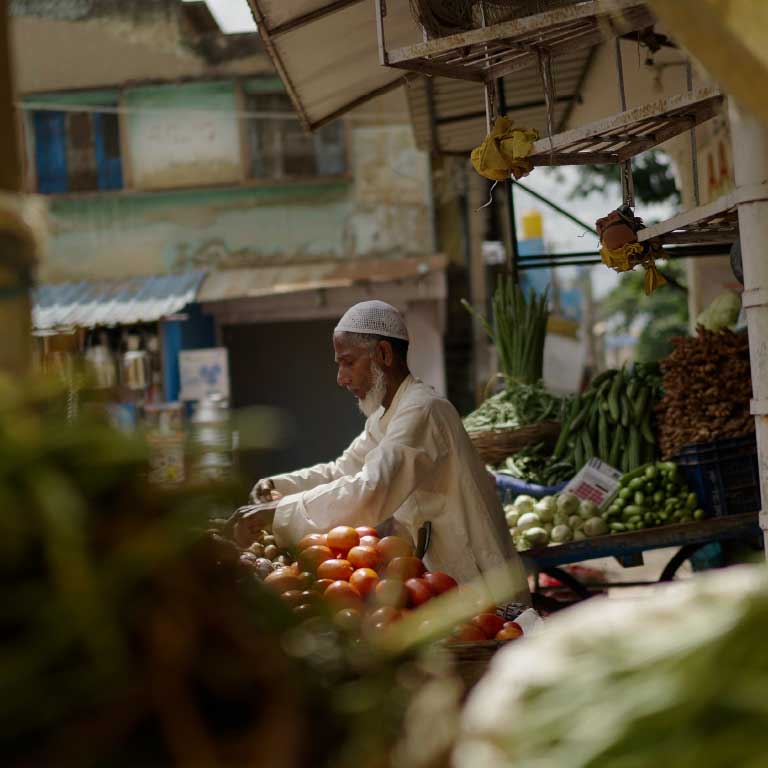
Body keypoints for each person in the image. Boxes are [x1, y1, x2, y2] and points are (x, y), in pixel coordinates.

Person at [242, 300, 529, 602]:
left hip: (483, 582)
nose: (341, 378)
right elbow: (341, 471)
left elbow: (373, 488)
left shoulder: (423, 410)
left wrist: (277, 513)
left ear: (383, 354)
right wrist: (276, 486)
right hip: (447, 582)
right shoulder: (385, 418)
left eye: (348, 362)